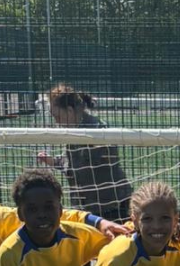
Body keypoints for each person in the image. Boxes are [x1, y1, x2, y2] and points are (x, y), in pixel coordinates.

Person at [42, 84, 133, 222]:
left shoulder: (97, 129)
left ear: (70, 111)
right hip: (87, 207)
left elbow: (97, 163)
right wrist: (53, 161)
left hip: (112, 205)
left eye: (58, 116)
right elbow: (71, 163)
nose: (56, 121)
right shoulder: (73, 129)